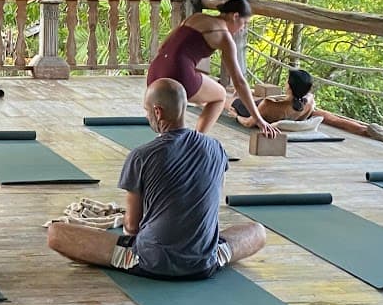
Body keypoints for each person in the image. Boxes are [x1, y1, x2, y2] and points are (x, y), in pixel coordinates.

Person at [47, 77, 266, 279]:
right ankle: (217, 253)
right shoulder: (215, 147)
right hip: (204, 261)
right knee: (257, 232)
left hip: (151, 261)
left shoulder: (141, 156)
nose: (146, 115)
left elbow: (132, 227)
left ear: (158, 112)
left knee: (56, 234)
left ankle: (128, 259)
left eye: (146, 110)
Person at [147, 0, 274, 137]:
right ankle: (196, 141)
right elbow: (239, 82)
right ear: (235, 16)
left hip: (155, 72)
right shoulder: (224, 36)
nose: (242, 28)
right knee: (220, 95)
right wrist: (258, 119)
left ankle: (163, 138)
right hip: (179, 74)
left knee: (169, 105)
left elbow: (163, 46)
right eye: (244, 23)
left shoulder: (196, 17)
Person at [231, 67, 317, 127]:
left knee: (232, 100)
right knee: (251, 95)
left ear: (289, 86)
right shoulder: (310, 103)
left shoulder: (269, 104)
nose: (285, 82)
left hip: (250, 111)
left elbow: (248, 123)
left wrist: (236, 116)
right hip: (265, 110)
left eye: (287, 80)